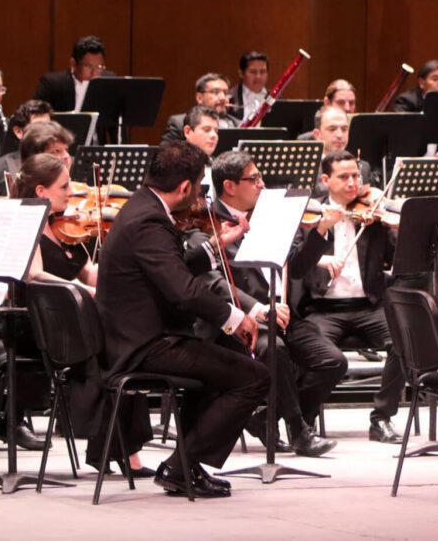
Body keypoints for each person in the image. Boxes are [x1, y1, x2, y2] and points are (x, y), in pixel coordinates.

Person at [96, 140, 269, 497]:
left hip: (141, 336)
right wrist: (236, 318)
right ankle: (181, 464)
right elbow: (184, 291)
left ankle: (185, 466)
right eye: (199, 187)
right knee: (253, 377)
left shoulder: (141, 208)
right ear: (186, 187)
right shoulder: (149, 221)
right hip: (144, 345)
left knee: (217, 367)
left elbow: (172, 270)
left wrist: (215, 245)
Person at [190, 151, 337, 457]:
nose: (262, 184)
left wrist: (320, 232)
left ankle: (265, 419)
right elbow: (214, 283)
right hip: (236, 322)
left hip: (281, 313)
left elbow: (294, 267)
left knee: (332, 362)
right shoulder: (206, 223)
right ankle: (299, 432)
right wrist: (257, 309)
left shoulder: (270, 214)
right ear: (230, 186)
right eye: (254, 179)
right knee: (276, 350)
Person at [15, 153, 155, 475]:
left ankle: (120, 452)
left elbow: (90, 274)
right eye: (64, 187)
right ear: (41, 192)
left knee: (127, 350)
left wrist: (119, 274)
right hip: (39, 324)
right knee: (117, 352)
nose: (71, 193)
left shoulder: (66, 229)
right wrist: (81, 291)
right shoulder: (29, 226)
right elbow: (34, 275)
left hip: (74, 320)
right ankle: (116, 451)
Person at [285, 151, 403, 443]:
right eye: (344, 177)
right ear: (325, 180)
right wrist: (322, 234)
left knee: (405, 342)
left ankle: (381, 418)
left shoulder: (372, 215)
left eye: (356, 177)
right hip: (322, 309)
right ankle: (302, 420)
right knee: (318, 356)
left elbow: (398, 259)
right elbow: (297, 266)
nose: (353, 183)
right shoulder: (308, 216)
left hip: (369, 306)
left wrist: (394, 227)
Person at [33, 35, 109, 112]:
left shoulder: (109, 82)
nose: (94, 73)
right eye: (88, 66)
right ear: (73, 64)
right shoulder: (53, 84)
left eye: (99, 66)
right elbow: (34, 114)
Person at [161, 73, 240, 143]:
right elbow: (165, 155)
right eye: (215, 92)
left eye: (226, 93)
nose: (223, 97)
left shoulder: (238, 124)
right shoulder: (179, 123)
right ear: (199, 98)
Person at [0, 99, 54, 191]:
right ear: (18, 132)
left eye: (48, 125)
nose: (46, 131)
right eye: (38, 127)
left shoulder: (65, 161)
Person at [230, 51, 269, 122]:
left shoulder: (277, 98)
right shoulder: (230, 97)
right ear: (241, 74)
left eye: (262, 71)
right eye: (253, 72)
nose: (258, 77)